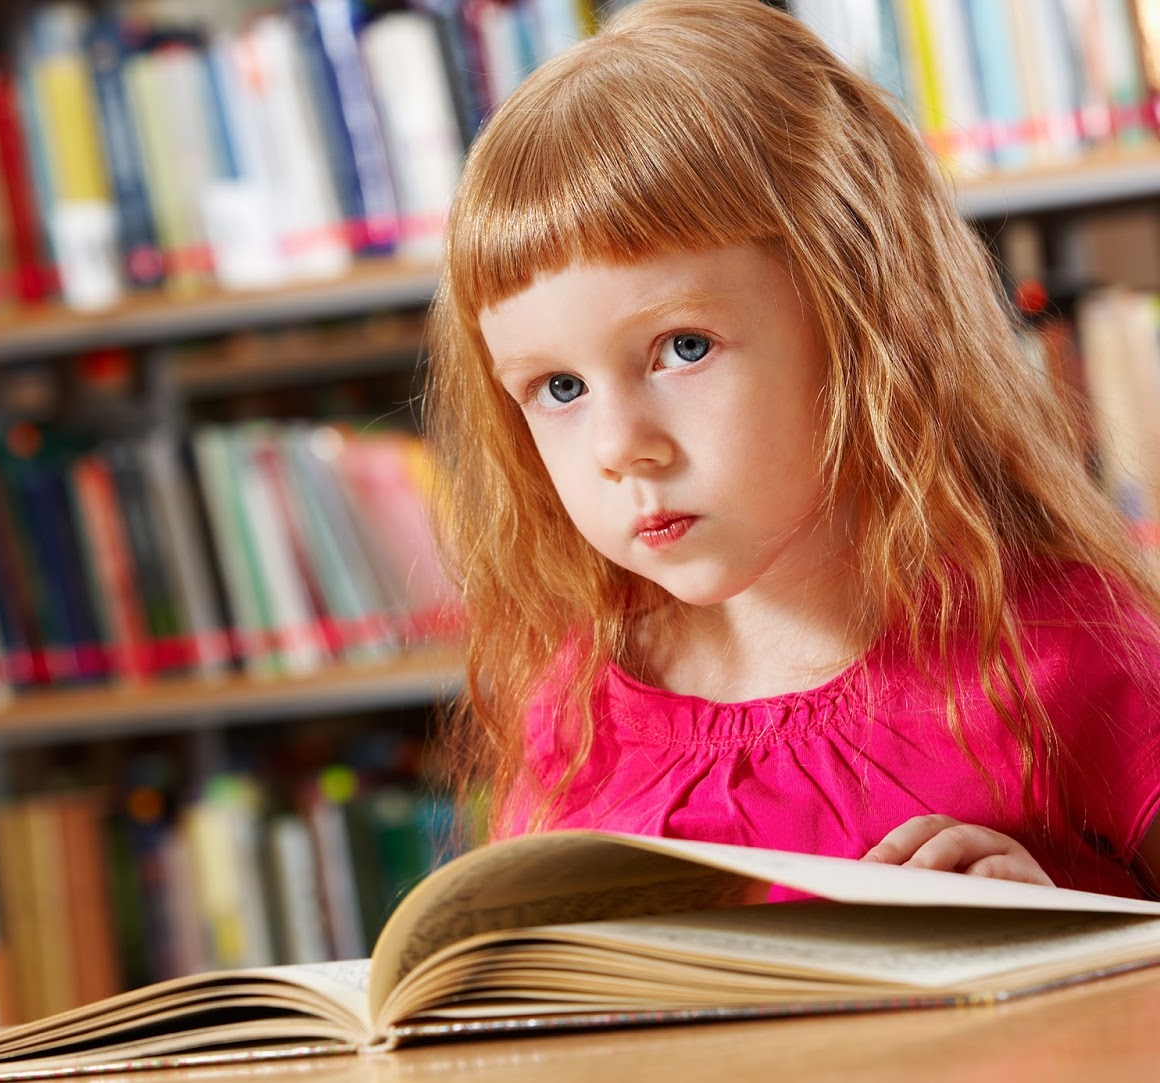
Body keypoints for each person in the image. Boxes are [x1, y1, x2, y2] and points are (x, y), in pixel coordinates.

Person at [424, 0, 1160, 897]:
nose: (621, 448)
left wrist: (1073, 934)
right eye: (560, 389)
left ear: (858, 318)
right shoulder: (574, 710)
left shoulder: (1071, 648)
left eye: (682, 348)